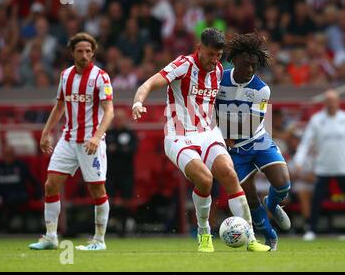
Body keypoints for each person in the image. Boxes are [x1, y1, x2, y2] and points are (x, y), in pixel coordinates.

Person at [132, 28, 270, 252]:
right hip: (179, 136)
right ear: (199, 48)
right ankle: (204, 232)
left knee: (229, 174)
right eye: (210, 55)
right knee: (205, 180)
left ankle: (251, 238)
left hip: (208, 133)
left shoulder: (217, 70)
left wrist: (229, 132)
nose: (214, 60)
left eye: (218, 55)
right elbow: (148, 84)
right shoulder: (183, 65)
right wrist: (138, 102)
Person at [29, 32, 115, 250]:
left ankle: (99, 240)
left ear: (93, 53)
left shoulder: (101, 77)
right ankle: (50, 237)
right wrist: (46, 132)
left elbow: (109, 112)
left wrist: (97, 137)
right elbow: (59, 107)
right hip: (68, 140)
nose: (84, 55)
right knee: (51, 185)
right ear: (72, 53)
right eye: (80, 51)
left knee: (97, 190)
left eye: (88, 51)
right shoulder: (65, 76)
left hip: (91, 143)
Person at [215, 32, 291, 250]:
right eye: (246, 64)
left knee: (283, 183)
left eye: (254, 66)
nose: (249, 69)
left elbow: (251, 124)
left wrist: (224, 130)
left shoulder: (261, 89)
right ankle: (270, 236)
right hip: (234, 150)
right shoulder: (219, 79)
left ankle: (273, 203)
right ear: (234, 58)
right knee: (250, 198)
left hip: (257, 140)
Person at [294, 89, 345, 241]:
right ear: (325, 103)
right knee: (317, 200)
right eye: (328, 101)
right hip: (323, 168)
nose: (331, 104)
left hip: (344, 168)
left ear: (338, 102)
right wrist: (298, 161)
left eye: (333, 101)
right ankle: (311, 230)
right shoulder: (316, 120)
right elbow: (306, 143)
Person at [0, 145, 42, 232]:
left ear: (14, 155)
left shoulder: (21, 166)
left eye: (10, 154)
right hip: (2, 196)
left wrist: (39, 195)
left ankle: (10, 226)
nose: (8, 157)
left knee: (15, 200)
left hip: (18, 195)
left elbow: (33, 181)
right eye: (6, 154)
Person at [106, 108, 138, 236]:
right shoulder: (108, 134)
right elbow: (106, 150)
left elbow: (132, 150)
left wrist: (116, 149)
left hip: (126, 174)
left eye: (121, 119)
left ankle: (124, 228)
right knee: (110, 200)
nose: (118, 121)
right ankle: (110, 226)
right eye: (116, 119)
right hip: (111, 173)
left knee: (126, 201)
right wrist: (121, 150)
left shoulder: (130, 134)